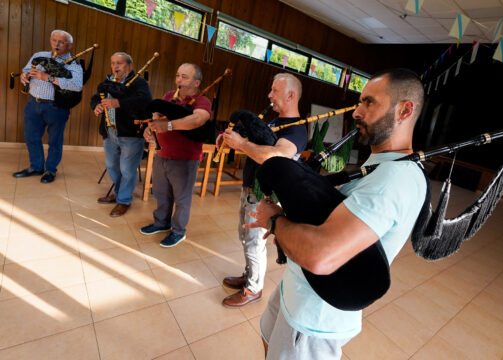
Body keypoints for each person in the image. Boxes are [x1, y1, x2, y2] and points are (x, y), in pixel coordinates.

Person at [246, 68, 427, 359]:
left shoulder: (393, 179)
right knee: (268, 336)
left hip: (315, 316)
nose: (357, 112)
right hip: (298, 290)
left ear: (405, 110)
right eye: (360, 102)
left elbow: (321, 256)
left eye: (369, 103)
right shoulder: (382, 167)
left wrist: (274, 221)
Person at [217, 73, 308, 308]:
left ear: (291, 95)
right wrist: (229, 139)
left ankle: (253, 288)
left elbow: (273, 155)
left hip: (265, 196)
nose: (269, 95)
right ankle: (249, 275)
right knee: (246, 237)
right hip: (250, 188)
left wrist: (242, 144)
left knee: (254, 242)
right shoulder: (271, 121)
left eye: (274, 91)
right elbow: (251, 143)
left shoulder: (296, 130)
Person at [140, 63, 211, 247]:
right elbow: (157, 117)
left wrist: (169, 126)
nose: (179, 79)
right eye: (178, 75)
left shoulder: (202, 101)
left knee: (181, 199)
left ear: (196, 82)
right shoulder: (170, 96)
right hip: (162, 154)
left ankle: (178, 231)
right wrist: (150, 128)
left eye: (184, 76)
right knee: (161, 193)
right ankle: (161, 223)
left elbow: (197, 120)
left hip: (185, 159)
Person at [13, 30, 83, 183]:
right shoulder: (40, 55)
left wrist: (48, 77)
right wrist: (24, 77)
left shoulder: (73, 63)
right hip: (33, 103)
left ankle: (50, 170)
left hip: (56, 107)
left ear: (70, 45)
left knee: (54, 141)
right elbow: (26, 71)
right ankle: (36, 167)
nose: (56, 44)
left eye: (61, 42)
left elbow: (77, 86)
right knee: (31, 137)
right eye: (54, 40)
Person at [91, 52, 152, 217]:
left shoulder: (139, 83)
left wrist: (119, 103)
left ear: (129, 66)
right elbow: (96, 97)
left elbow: (144, 102)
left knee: (127, 170)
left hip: (131, 134)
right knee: (112, 166)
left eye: (120, 63)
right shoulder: (108, 81)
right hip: (110, 132)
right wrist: (96, 105)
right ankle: (119, 193)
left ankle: (124, 200)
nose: (115, 67)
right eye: (113, 63)